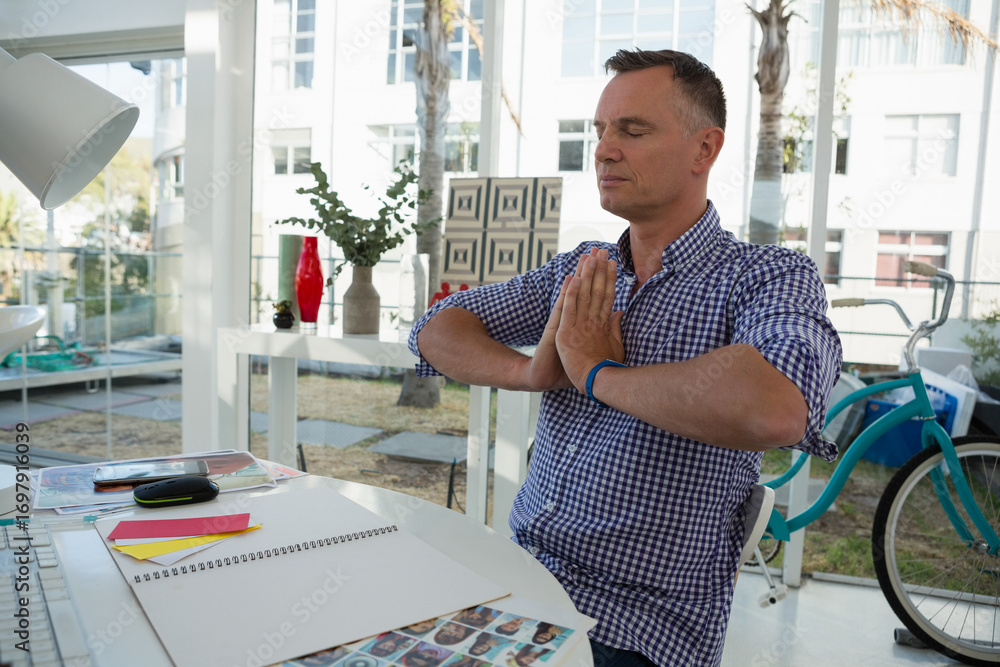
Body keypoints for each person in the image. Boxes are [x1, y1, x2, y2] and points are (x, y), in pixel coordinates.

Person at [409, 48, 841, 666]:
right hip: (522, 581)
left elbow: (776, 407)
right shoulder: (585, 268)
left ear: (704, 150)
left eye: (633, 131)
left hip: (638, 625)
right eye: (601, 131)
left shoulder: (765, 276)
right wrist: (529, 371)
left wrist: (596, 374)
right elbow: (436, 328)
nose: (604, 150)